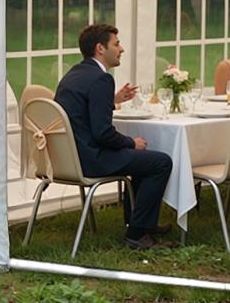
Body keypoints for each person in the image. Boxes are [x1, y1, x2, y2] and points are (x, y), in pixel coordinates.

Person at [54, 23, 173, 250]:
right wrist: (130, 142)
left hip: (69, 158)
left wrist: (113, 100)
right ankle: (137, 234)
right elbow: (102, 133)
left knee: (143, 161)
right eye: (116, 44)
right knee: (160, 162)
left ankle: (140, 224)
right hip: (91, 159)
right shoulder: (101, 79)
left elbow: (82, 112)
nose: (122, 49)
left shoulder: (75, 74)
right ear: (100, 48)